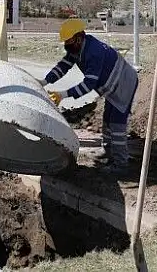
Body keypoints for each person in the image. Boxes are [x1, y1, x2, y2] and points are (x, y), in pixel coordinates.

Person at [38, 18, 139, 175]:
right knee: (107, 118)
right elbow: (63, 66)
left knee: (116, 123)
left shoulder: (94, 52)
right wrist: (44, 81)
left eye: (68, 41)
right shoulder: (77, 48)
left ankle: (121, 163)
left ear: (79, 37)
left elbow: (89, 84)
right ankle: (108, 151)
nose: (66, 45)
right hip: (112, 85)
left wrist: (63, 95)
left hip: (124, 83)